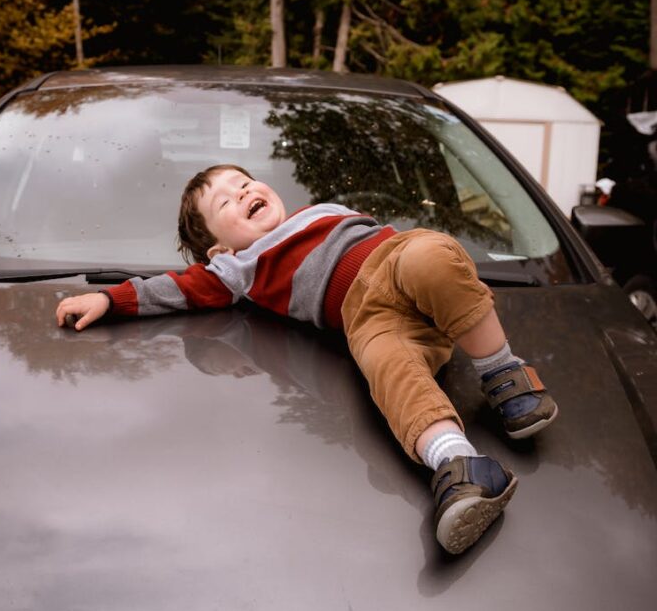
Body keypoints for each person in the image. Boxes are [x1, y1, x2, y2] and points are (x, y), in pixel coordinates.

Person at [55, 164, 558, 555]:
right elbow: (176, 289)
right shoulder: (238, 268)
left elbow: (407, 247)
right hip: (368, 318)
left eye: (245, 182)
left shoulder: (323, 211)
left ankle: (503, 375)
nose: (245, 192)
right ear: (217, 250)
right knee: (385, 369)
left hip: (399, 262)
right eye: (225, 201)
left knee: (432, 258)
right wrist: (112, 299)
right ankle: (460, 465)